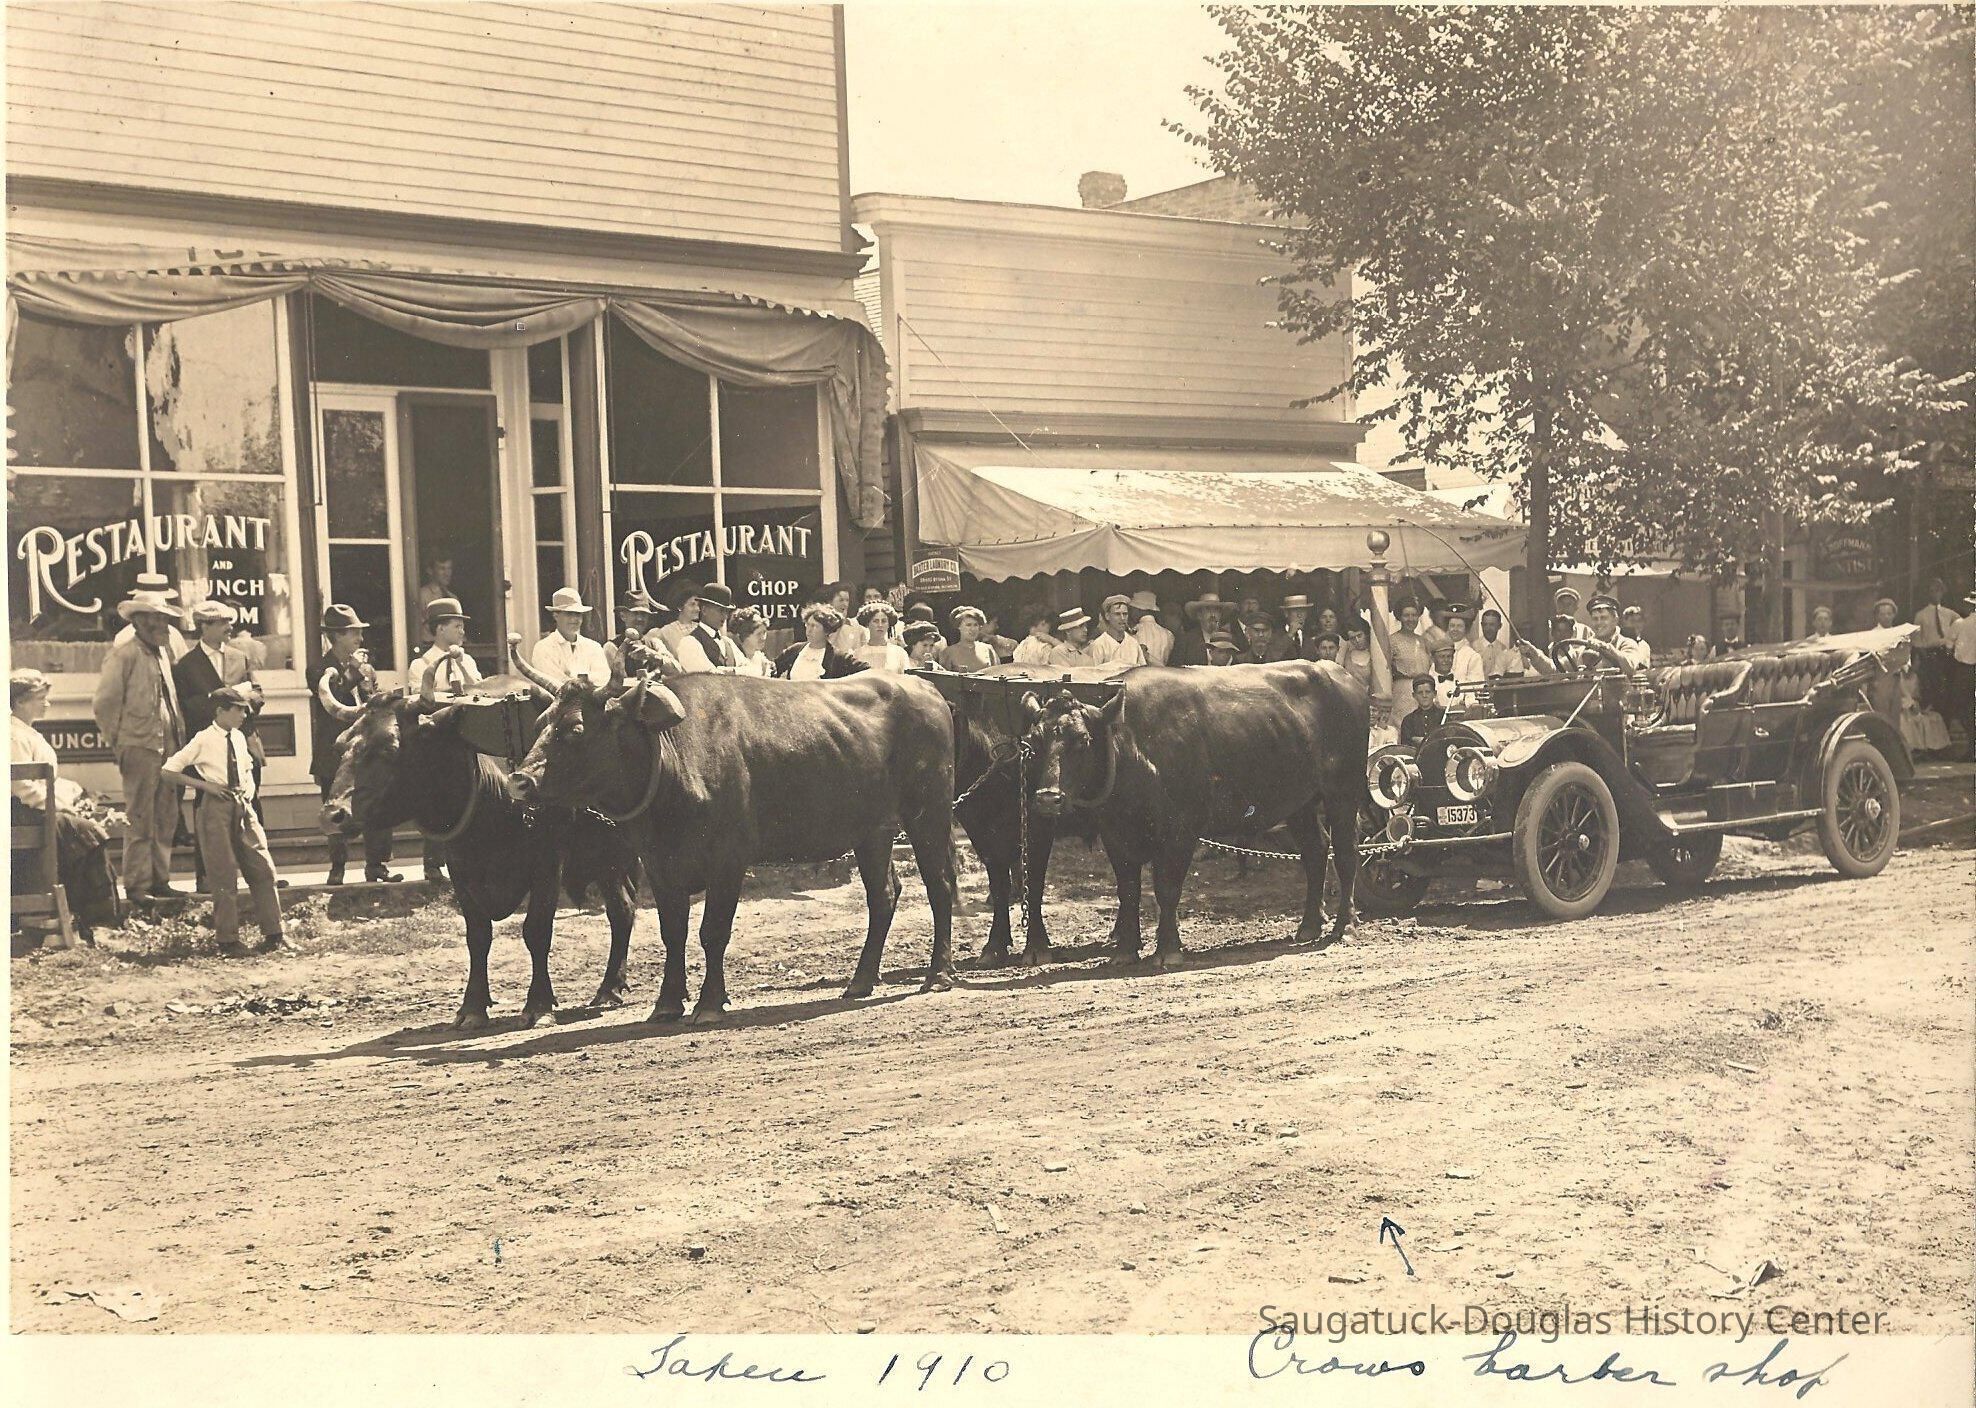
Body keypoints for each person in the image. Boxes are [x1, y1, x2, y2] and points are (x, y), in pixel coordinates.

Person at [162, 684, 287, 958]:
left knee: (262, 868)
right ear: (221, 711)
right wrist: (205, 787)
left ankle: (275, 934)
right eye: (239, 710)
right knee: (223, 874)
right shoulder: (203, 739)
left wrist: (249, 792)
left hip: (242, 806)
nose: (244, 715)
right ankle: (228, 940)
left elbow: (247, 767)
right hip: (215, 809)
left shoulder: (240, 737)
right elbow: (169, 770)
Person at [92, 589, 188, 903]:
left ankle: (160, 880)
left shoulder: (163, 653)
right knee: (141, 817)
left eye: (165, 618)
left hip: (169, 748)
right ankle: (137, 886)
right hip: (140, 746)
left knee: (166, 816)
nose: (163, 625)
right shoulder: (124, 654)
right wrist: (119, 743)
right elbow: (105, 703)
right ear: (139, 621)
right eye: (157, 619)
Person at [11, 669, 121, 942]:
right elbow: (23, 788)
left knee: (85, 833)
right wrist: (60, 807)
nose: (47, 704)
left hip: (36, 809)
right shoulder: (11, 735)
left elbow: (44, 782)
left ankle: (88, 919)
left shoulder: (27, 732)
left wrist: (70, 795)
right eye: (41, 699)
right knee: (86, 833)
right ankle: (96, 920)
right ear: (21, 701)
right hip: (21, 814)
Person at [176, 600, 268, 888]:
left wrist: (245, 702)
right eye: (223, 623)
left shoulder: (240, 658)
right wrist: (219, 699)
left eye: (230, 622)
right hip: (210, 749)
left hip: (244, 742)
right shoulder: (187, 665)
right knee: (207, 810)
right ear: (205, 626)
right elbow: (186, 707)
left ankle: (260, 874)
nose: (230, 628)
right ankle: (206, 877)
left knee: (251, 805)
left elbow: (258, 695)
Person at [308, 604, 401, 885]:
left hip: (368, 749)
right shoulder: (318, 669)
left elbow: (374, 700)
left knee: (378, 803)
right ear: (335, 636)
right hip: (335, 749)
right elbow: (331, 698)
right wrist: (353, 673)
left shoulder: (367, 669)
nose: (360, 639)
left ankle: (377, 866)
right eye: (353, 633)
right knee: (336, 806)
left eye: (360, 633)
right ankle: (338, 869)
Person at [532, 586, 612, 686]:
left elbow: (603, 678)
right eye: (569, 614)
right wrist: (585, 680)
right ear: (556, 616)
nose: (575, 619)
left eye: (578, 614)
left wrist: (572, 679)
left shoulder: (593, 647)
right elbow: (552, 681)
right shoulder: (543, 648)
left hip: (592, 701)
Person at [410, 598, 483, 701]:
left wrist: (462, 665)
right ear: (441, 629)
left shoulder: (467, 661)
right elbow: (422, 704)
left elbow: (480, 692)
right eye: (457, 626)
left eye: (462, 627)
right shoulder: (420, 665)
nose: (462, 632)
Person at [110, 573, 190, 659]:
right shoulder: (125, 638)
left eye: (164, 617)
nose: (161, 622)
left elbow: (184, 664)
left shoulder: (173, 634)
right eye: (156, 617)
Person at [775, 606, 868, 679]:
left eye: (814, 626)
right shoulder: (795, 650)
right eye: (807, 625)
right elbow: (772, 670)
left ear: (827, 631)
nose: (809, 630)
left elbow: (865, 670)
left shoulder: (838, 657)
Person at [1912, 579, 1961, 718]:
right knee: (1933, 688)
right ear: (1928, 593)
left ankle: (1947, 720)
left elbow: (1961, 628)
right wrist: (1924, 656)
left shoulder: (1950, 614)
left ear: (1943, 592)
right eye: (1933, 590)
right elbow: (1916, 640)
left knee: (1947, 688)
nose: (1936, 594)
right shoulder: (1920, 615)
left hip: (1946, 654)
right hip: (1930, 655)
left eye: (1939, 590)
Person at [676, 583, 742, 672]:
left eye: (727, 611)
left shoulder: (728, 643)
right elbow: (708, 676)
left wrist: (733, 671)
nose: (725, 616)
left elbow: (753, 670)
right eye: (721, 610)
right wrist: (739, 672)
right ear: (704, 610)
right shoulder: (689, 642)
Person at [1898, 663, 1950, 756]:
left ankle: (1934, 749)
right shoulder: (1897, 676)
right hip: (1901, 705)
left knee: (1935, 717)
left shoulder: (1915, 676)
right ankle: (1913, 749)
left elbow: (1918, 695)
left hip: (1914, 704)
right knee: (1906, 721)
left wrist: (1915, 703)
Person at [1587, 594, 1651, 670]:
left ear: (1615, 620)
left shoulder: (1627, 643)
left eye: (1603, 618)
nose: (1599, 623)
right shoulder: (1586, 645)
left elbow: (1630, 667)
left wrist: (1608, 649)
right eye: (1595, 619)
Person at [1949, 595, 1976, 760]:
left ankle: (1971, 746)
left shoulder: (1959, 624)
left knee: (1963, 708)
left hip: (1964, 670)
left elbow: (1948, 647)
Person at [1173, 591, 1233, 666]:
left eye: (1216, 610)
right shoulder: (1186, 641)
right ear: (1199, 615)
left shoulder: (1230, 638)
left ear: (1220, 615)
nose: (1213, 615)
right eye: (1208, 610)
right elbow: (1174, 671)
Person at [1090, 595, 1148, 667]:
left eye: (1125, 614)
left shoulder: (1133, 643)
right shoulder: (1099, 644)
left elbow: (1141, 671)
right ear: (1107, 616)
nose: (1122, 618)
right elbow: (1094, 674)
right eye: (1117, 614)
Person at [853, 602, 911, 673]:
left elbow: (906, 679)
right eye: (875, 621)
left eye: (884, 621)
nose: (880, 625)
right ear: (867, 624)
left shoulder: (899, 653)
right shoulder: (857, 654)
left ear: (888, 624)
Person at [939, 606, 999, 673]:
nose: (972, 629)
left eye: (975, 625)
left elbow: (997, 673)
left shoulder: (988, 650)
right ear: (959, 626)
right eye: (968, 625)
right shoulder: (948, 652)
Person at [1443, 606, 1489, 684]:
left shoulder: (1473, 656)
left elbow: (1476, 686)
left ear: (1466, 629)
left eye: (1459, 626)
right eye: (1452, 625)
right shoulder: (1440, 652)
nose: (1455, 629)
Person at [1399, 677, 1450, 746]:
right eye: (1420, 693)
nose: (1424, 695)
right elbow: (1406, 747)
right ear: (1414, 695)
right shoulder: (1408, 720)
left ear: (1434, 694)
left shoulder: (1445, 715)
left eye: (1428, 692)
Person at [1475, 607, 1525, 678]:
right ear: (1481, 625)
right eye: (1485, 625)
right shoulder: (1473, 647)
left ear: (1499, 626)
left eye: (1492, 625)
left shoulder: (1503, 649)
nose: (1488, 628)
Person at [1129, 590, 1174, 666]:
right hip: (1163, 674)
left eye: (1133, 609)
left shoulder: (1133, 632)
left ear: (1140, 610)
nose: (1131, 612)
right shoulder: (1168, 634)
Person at [726, 607, 776, 677]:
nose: (763, 638)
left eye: (764, 632)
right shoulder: (735, 656)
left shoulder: (762, 659)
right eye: (758, 634)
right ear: (745, 635)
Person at [825, 583, 867, 657]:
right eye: (841, 600)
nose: (845, 604)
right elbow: (828, 646)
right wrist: (840, 622)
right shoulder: (825, 625)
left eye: (847, 600)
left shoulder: (856, 624)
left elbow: (864, 647)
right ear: (830, 602)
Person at [1276, 594, 1314, 661]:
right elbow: (1273, 657)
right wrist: (1290, 635)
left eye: (1303, 611)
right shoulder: (1276, 637)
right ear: (1286, 613)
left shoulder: (1310, 640)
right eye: (1296, 611)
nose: (1300, 615)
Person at [1341, 618, 1373, 692]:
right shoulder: (1346, 653)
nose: (1357, 641)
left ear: (1366, 634)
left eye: (1359, 636)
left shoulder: (1374, 653)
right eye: (1352, 638)